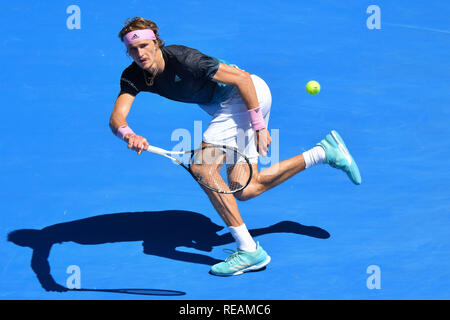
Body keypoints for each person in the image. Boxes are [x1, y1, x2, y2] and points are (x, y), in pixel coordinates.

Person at [109, 17, 361, 276]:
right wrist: (129, 134)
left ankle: (249, 249)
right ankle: (323, 152)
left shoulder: (185, 60)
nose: (140, 53)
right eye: (133, 49)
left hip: (244, 95)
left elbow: (241, 78)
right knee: (246, 188)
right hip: (227, 106)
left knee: (202, 168)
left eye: (144, 46)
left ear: (156, 43)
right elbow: (116, 119)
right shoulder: (133, 75)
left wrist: (260, 126)